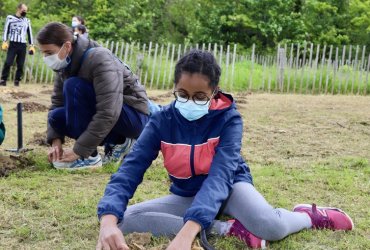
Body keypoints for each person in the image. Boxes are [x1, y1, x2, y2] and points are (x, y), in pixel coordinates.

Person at [96, 50, 354, 250]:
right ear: (174, 88)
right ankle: (227, 229)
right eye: (182, 94)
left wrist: (187, 233)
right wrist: (107, 221)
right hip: (189, 195)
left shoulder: (229, 120)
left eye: (200, 97)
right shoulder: (162, 120)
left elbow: (220, 176)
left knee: (270, 227)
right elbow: (130, 169)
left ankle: (309, 216)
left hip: (231, 188)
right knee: (122, 220)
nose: (190, 101)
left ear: (214, 93)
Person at [36, 22, 150, 170]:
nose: (46, 58)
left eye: (49, 53)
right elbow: (57, 104)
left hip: (133, 115)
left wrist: (79, 150)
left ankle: (89, 158)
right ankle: (120, 141)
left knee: (73, 86)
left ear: (67, 46)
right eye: (43, 53)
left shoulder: (99, 58)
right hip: (111, 114)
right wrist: (55, 141)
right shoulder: (63, 66)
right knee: (56, 116)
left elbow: (109, 111)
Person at [0, 3, 35, 87]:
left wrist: (31, 45)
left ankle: (17, 80)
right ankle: (3, 79)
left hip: (22, 45)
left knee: (20, 64)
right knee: (8, 62)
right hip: (13, 44)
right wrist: (4, 41)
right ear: (18, 9)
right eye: (24, 10)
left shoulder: (27, 20)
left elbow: (29, 33)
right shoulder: (10, 18)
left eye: (26, 11)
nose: (25, 12)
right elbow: (6, 30)